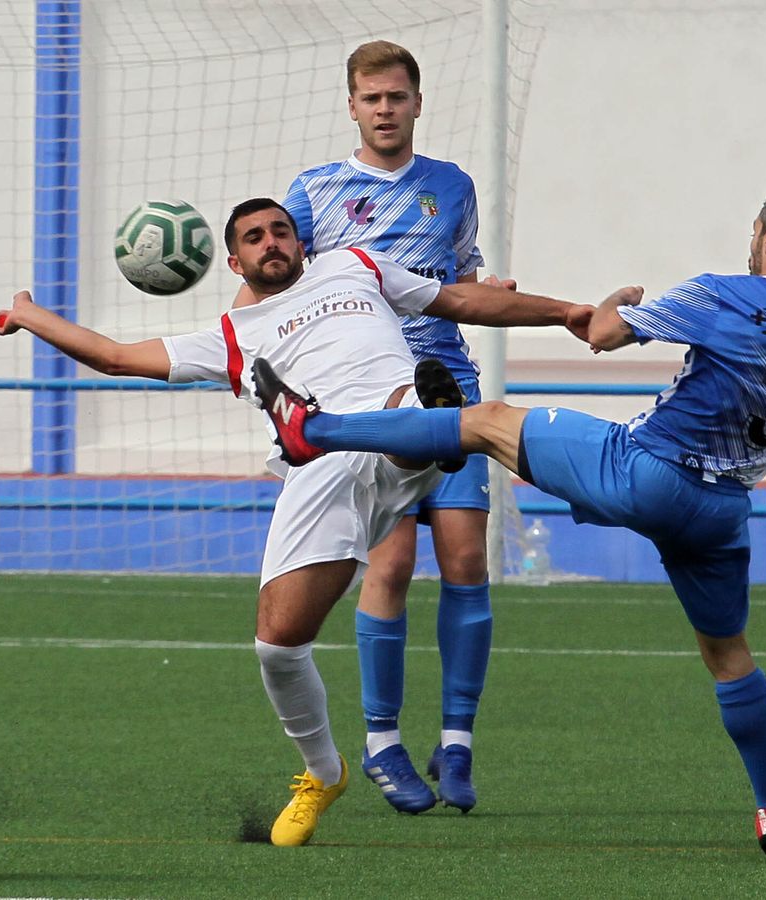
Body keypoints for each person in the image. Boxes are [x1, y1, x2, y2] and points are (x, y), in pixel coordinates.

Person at [255, 186, 766, 861]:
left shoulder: (720, 292)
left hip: (645, 471)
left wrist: (613, 304)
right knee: (730, 658)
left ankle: (314, 432)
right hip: (722, 514)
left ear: (765, 235)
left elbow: (601, 333)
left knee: (483, 421)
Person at [0, 197, 593, 846]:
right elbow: (112, 356)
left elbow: (463, 303)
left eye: (281, 230)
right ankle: (322, 771)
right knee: (276, 644)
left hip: (387, 417)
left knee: (411, 400)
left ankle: (434, 425)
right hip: (316, 470)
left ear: (300, 242)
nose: (271, 242)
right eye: (254, 237)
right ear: (232, 260)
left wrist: (568, 314)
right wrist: (29, 316)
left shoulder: (356, 264)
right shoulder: (230, 337)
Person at [282, 39, 497, 813]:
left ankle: (459, 744)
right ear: (351, 105)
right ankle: (380, 745)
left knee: (468, 557)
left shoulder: (452, 186)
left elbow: (464, 278)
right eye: (370, 98)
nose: (384, 109)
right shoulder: (313, 193)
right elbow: (280, 286)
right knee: (392, 564)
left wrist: (485, 289)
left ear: (415, 101)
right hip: (368, 394)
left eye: (396, 97)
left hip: (450, 386)